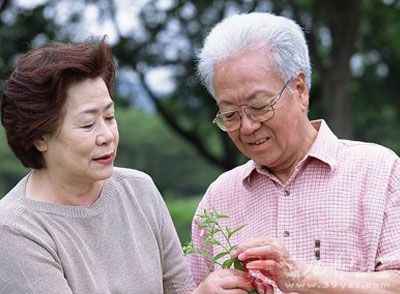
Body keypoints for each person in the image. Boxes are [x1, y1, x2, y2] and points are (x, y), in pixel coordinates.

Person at [188, 12, 400, 294]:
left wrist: (303, 278)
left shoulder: (379, 171)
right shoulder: (220, 196)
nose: (248, 126)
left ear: (300, 90)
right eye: (230, 114)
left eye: (260, 106)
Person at [0, 38, 195, 294]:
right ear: (38, 137)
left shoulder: (139, 190)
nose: (107, 136)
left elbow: (181, 287)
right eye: (88, 124)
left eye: (110, 117)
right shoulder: (14, 229)